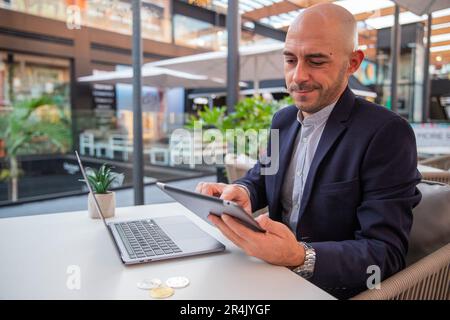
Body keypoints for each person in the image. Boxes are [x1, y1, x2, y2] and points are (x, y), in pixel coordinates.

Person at [196, 3, 421, 299]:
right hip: (266, 272)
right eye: (290, 60)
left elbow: (386, 254)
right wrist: (243, 191)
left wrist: (300, 256)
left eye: (316, 61)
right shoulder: (284, 119)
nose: (297, 77)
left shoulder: (386, 133)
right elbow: (262, 177)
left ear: (353, 63)